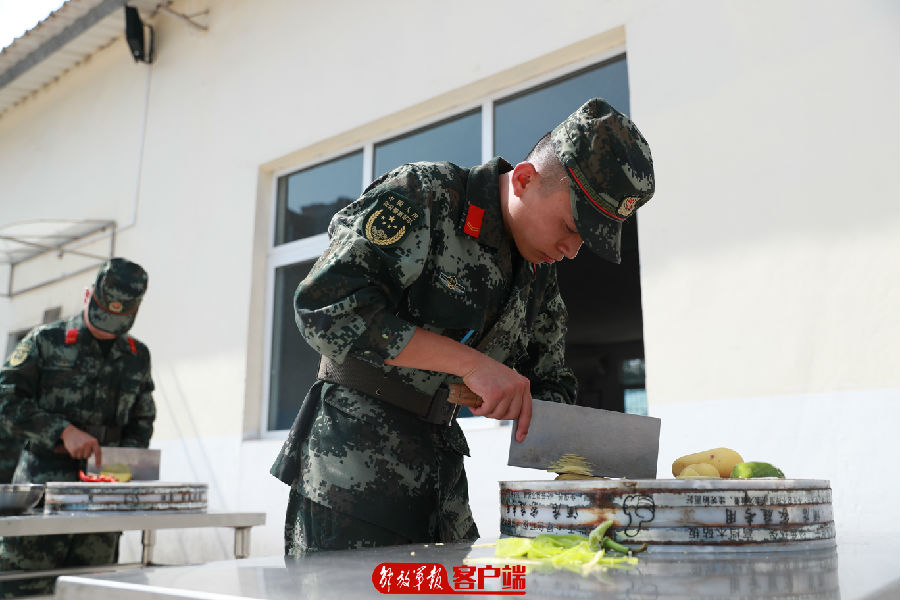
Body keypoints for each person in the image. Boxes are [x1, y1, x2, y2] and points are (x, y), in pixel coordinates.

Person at [270, 98, 655, 555]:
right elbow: (325, 305)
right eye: (572, 228)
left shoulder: (537, 273)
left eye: (585, 242)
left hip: (442, 480)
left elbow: (552, 381)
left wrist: (542, 424)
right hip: (349, 473)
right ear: (526, 180)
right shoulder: (427, 195)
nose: (573, 250)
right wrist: (472, 365)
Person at [0, 258, 155, 596]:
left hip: (101, 505)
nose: (106, 327)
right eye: (102, 316)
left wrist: (122, 463)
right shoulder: (45, 341)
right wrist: (61, 431)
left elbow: (143, 419)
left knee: (92, 591)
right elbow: (6, 401)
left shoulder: (136, 356)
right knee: (24, 592)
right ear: (87, 296)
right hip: (41, 501)